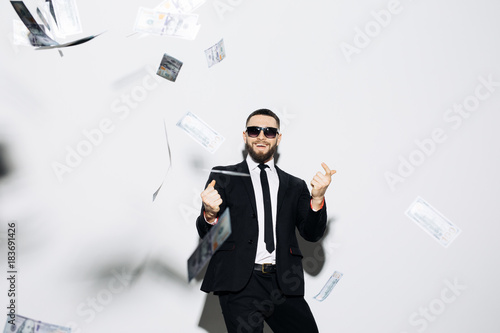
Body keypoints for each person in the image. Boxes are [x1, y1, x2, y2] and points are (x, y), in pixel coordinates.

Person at [196, 109, 335, 333]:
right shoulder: (223, 176)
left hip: (284, 283)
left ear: (278, 138)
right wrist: (210, 214)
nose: (261, 136)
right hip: (240, 283)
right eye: (254, 130)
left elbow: (312, 233)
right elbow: (208, 236)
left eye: (269, 132)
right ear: (245, 136)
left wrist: (317, 199)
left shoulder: (295, 185)